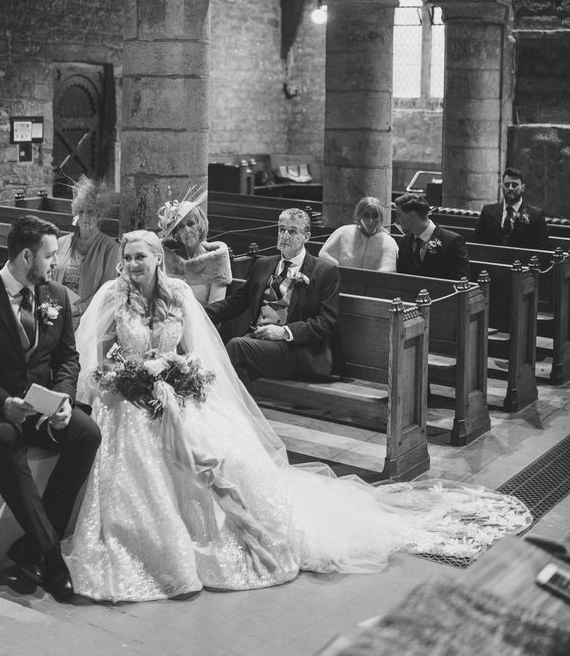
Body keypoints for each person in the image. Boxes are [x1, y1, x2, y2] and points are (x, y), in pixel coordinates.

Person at [62, 230, 531, 603]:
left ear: (156, 260)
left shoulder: (180, 294)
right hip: (132, 400)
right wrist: (127, 380)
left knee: (227, 457)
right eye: (128, 258)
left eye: (141, 257)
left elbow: (196, 347)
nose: (132, 265)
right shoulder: (114, 296)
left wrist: (181, 373)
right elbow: (101, 359)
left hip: (201, 386)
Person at [0, 215, 101, 601]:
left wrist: (63, 399)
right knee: (6, 436)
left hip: (39, 405)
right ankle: (50, 555)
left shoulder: (56, 297)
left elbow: (68, 358)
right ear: (26, 255)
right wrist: (3, 402)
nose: (54, 264)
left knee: (87, 433)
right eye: (50, 256)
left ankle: (31, 547)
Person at [204, 208, 338, 386]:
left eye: (292, 231)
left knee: (237, 346)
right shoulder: (264, 265)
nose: (284, 235)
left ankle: (203, 397)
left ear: (306, 237)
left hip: (295, 350)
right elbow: (236, 302)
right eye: (281, 229)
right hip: (259, 344)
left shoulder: (324, 271)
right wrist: (197, 311)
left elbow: (326, 322)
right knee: (238, 373)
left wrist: (284, 332)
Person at [52, 176, 119, 325]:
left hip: (91, 320)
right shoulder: (62, 242)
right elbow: (49, 279)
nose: (85, 217)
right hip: (58, 314)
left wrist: (78, 310)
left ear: (100, 214)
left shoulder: (110, 248)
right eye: (80, 211)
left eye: (91, 212)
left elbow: (108, 293)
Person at [158, 186, 232, 305]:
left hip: (203, 320)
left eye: (190, 223)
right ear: (177, 233)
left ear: (200, 226)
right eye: (181, 227)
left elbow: (216, 307)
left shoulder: (215, 260)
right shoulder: (170, 259)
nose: (186, 230)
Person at [395, 193, 470, 281]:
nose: (396, 220)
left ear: (411, 216)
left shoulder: (452, 242)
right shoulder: (404, 242)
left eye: (399, 215)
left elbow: (462, 282)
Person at [473, 167, 551, 251]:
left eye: (514, 185)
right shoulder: (487, 211)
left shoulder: (535, 215)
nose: (510, 188)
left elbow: (542, 249)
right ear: (502, 186)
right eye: (507, 185)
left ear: (523, 188)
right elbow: (477, 243)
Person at [319, 197, 398, 271]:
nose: (371, 220)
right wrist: (340, 270)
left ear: (380, 218)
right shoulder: (344, 232)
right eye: (366, 215)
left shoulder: (388, 242)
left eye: (375, 216)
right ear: (359, 216)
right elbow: (324, 255)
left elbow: (388, 270)